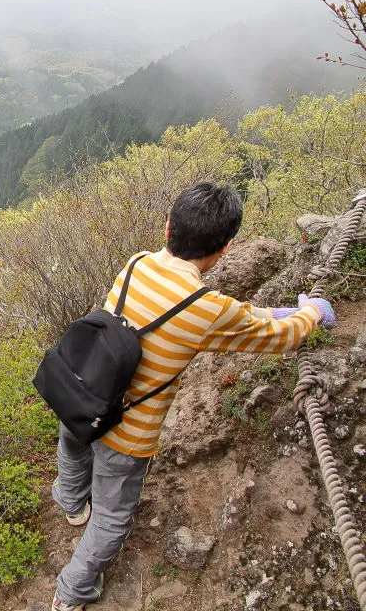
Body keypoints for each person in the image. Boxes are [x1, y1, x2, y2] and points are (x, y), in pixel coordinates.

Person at [50, 181, 336, 611]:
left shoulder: (138, 264)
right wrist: (312, 311)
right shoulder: (207, 308)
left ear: (168, 228)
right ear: (225, 248)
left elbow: (215, 316)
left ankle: (70, 502)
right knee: (111, 516)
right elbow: (280, 337)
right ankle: (72, 592)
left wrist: (269, 312)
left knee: (73, 450)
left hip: (81, 394)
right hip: (127, 433)